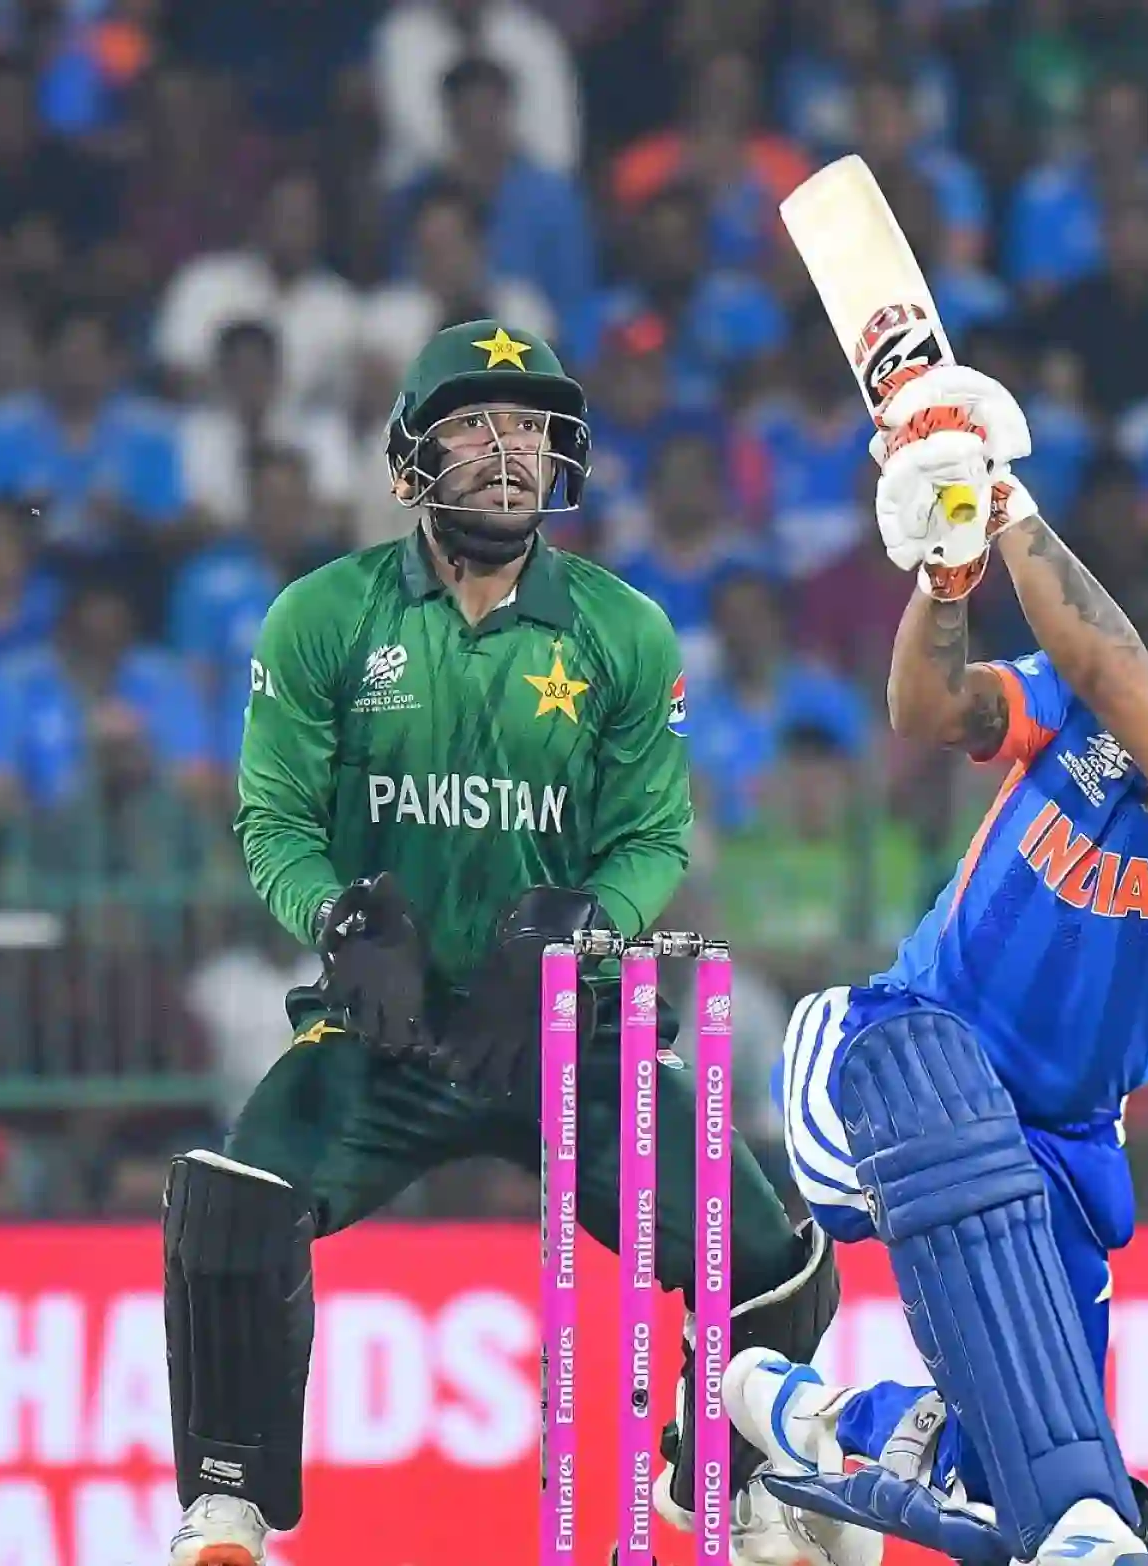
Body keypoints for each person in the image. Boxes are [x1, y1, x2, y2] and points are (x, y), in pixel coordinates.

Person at [162, 321, 840, 1566]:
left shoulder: (623, 630)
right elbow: (273, 823)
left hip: (565, 1029)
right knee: (229, 1204)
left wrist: (589, 930)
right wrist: (337, 917)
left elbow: (651, 838)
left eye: (529, 427)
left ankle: (724, 1478)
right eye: (474, 425)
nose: (508, 450)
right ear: (410, 460)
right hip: (387, 1026)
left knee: (773, 1256)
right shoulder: (324, 616)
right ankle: (228, 1505)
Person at [725, 363, 1148, 1566]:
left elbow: (1111, 671)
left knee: (1043, 1487)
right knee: (952, 1137)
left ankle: (804, 1420)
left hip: (1055, 1150)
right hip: (891, 1057)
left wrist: (1004, 498)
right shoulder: (1084, 703)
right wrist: (946, 579)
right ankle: (799, 1424)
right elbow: (929, 708)